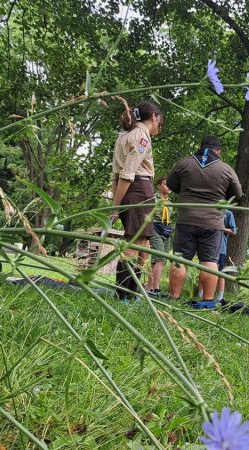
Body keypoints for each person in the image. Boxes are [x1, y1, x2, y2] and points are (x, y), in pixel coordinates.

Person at [166, 135, 242, 308]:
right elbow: (237, 194)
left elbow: (171, 184)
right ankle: (207, 301)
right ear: (219, 151)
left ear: (200, 146)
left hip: (186, 219)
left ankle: (174, 298)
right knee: (209, 261)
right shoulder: (226, 169)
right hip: (213, 222)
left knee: (180, 259)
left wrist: (186, 192)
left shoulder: (184, 163)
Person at [110, 100, 163, 300]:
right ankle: (123, 294)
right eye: (160, 122)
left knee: (143, 243)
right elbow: (127, 173)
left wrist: (117, 201)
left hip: (127, 191)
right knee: (133, 245)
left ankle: (132, 291)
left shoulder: (123, 136)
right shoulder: (142, 136)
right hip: (138, 189)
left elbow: (115, 174)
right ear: (155, 117)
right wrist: (115, 208)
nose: (159, 126)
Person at [146, 176, 173, 296]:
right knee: (160, 258)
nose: (169, 187)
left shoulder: (170, 203)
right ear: (159, 186)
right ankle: (156, 289)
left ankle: (149, 287)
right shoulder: (152, 199)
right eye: (166, 184)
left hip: (166, 231)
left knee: (158, 260)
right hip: (155, 229)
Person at [215, 209, 237, 301]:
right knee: (204, 269)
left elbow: (233, 231)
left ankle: (220, 298)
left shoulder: (228, 213)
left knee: (220, 273)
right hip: (206, 247)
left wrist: (221, 228)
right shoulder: (208, 207)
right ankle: (200, 295)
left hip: (220, 248)